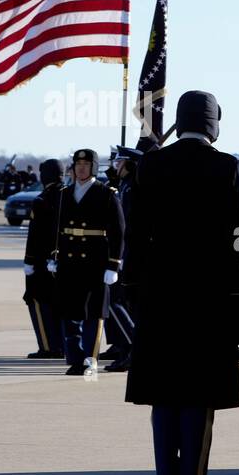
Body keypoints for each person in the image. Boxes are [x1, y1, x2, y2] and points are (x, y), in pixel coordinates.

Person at [125, 90, 239, 475]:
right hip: (207, 297)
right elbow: (238, 237)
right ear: (214, 122)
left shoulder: (152, 164)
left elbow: (136, 233)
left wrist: (133, 286)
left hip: (158, 295)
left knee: (164, 394)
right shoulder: (227, 167)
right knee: (198, 394)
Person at [50, 148, 124, 376]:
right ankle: (74, 357)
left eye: (86, 164)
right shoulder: (64, 193)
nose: (81, 168)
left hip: (95, 261)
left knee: (93, 313)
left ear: (93, 167)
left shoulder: (106, 193)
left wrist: (113, 263)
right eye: (78, 164)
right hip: (69, 261)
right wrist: (52, 255)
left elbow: (118, 230)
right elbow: (55, 229)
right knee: (69, 312)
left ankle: (89, 359)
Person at [21, 159, 66, 359]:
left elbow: (35, 235)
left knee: (37, 300)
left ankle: (48, 346)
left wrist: (29, 261)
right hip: (63, 259)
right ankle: (62, 344)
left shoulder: (42, 200)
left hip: (41, 261)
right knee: (60, 303)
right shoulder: (69, 195)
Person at [101, 146, 141, 372]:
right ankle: (126, 348)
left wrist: (121, 256)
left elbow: (126, 224)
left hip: (127, 254)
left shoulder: (133, 188)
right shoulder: (125, 185)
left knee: (117, 302)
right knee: (118, 302)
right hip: (123, 253)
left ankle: (132, 347)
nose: (116, 165)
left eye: (120, 162)